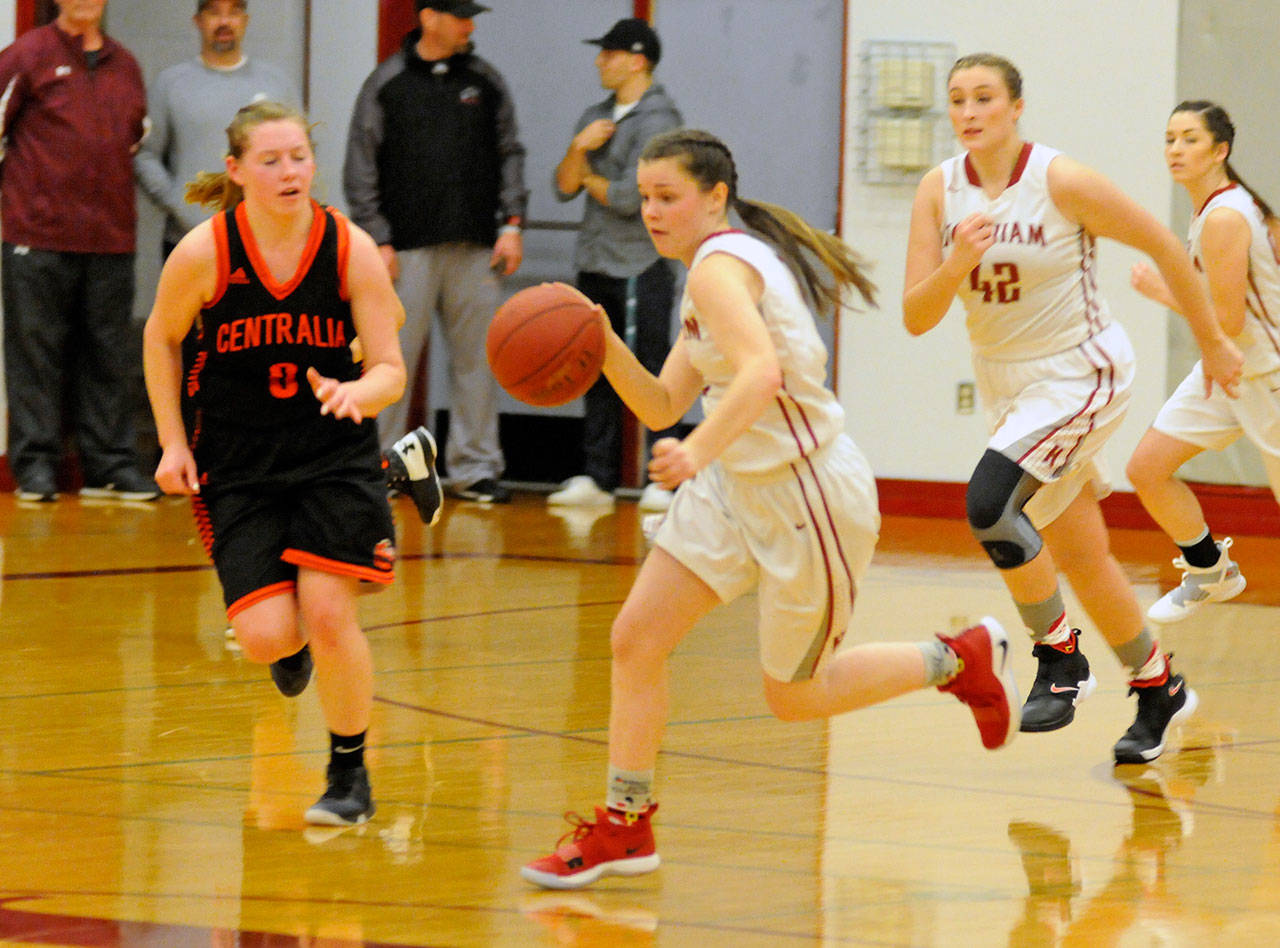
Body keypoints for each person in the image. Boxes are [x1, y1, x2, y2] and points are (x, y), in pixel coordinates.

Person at [522, 128, 1023, 890]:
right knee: (635, 641)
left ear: (714, 197)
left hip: (805, 492)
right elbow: (663, 402)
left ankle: (956, 659)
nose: (651, 211)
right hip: (734, 487)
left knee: (794, 697)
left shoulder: (723, 270)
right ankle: (627, 823)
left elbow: (757, 375)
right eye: (646, 197)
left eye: (667, 197)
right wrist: (598, 340)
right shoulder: (714, 270)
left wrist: (696, 452)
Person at [902, 54, 1244, 765]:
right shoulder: (939, 190)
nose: (969, 112)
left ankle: (1060, 659)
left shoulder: (1058, 179)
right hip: (1010, 391)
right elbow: (916, 315)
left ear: (1016, 106)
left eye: (985, 98)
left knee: (990, 505)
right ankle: (1160, 686)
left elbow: (1160, 244)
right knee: (1085, 559)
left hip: (1081, 371)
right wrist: (955, 265)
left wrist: (1210, 342)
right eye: (958, 99)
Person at [143, 100, 407, 825]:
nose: (289, 171)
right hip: (241, 464)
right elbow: (161, 340)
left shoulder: (345, 247)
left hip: (332, 457)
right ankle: (392, 485)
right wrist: (171, 441)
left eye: (298, 157)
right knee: (268, 635)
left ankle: (349, 777)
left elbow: (391, 367)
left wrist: (358, 391)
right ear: (237, 170)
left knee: (327, 613)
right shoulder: (204, 253)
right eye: (271, 159)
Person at [344, 0, 528, 505]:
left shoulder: (487, 83)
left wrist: (513, 225)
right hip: (404, 252)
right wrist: (376, 236)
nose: (470, 26)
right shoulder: (387, 83)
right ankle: (378, 468)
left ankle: (475, 468)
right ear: (429, 17)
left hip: (476, 245)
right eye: (460, 15)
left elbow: (511, 153)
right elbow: (361, 162)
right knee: (389, 363)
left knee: (477, 363)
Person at [1126, 101, 1280, 623]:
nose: (1175, 149)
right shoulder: (1213, 208)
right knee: (1147, 469)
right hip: (1226, 369)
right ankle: (1212, 572)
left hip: (1268, 377)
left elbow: (1229, 320)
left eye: (1190, 139)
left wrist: (1164, 292)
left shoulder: (1226, 216)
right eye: (1170, 138)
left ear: (1220, 151)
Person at [0, 0, 160, 502]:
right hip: (37, 235)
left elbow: (134, 140)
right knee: (35, 355)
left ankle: (109, 466)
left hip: (111, 237)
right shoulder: (27, 54)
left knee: (109, 355)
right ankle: (37, 467)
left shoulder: (127, 64)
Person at [547, 18, 683, 513]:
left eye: (609, 53)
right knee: (594, 367)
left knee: (651, 369)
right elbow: (561, 185)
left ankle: (664, 477)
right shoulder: (594, 116)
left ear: (637, 60)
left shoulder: (660, 123)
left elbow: (629, 197)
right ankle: (598, 477)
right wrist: (578, 151)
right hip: (595, 259)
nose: (600, 61)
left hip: (638, 264)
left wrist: (587, 177)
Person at [135, 0, 299, 259]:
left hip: (263, 243)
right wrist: (178, 203)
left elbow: (298, 156)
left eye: (234, 12)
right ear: (198, 21)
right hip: (188, 243)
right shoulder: (170, 84)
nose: (224, 22)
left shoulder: (276, 85)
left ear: (245, 20)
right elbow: (145, 156)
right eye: (214, 12)